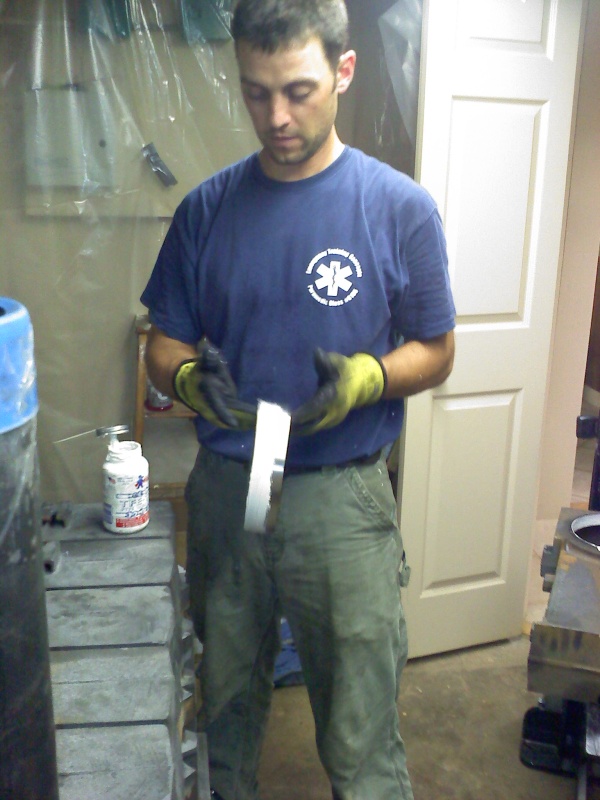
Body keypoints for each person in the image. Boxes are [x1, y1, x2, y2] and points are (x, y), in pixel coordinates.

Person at [141, 1, 455, 797]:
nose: (275, 116)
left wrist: (370, 378)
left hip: (340, 498)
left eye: (298, 91)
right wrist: (186, 378)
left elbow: (438, 348)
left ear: (343, 72)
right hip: (231, 486)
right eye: (256, 92)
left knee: (359, 727)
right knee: (223, 700)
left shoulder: (399, 208)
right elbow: (163, 343)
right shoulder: (207, 209)